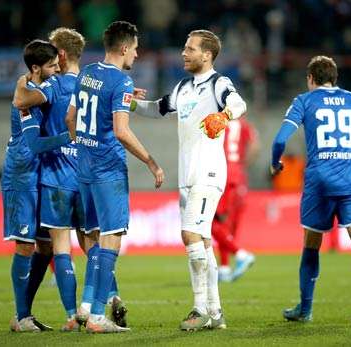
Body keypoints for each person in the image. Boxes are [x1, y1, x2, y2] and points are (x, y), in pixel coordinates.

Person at [131, 29, 247, 331]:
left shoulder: (218, 83)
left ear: (206, 55)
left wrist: (224, 116)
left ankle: (198, 308)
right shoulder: (183, 87)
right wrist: (129, 104)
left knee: (189, 235)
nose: (184, 53)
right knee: (204, 241)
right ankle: (216, 311)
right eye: (184, 48)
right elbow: (158, 109)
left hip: (209, 172)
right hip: (187, 175)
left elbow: (238, 104)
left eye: (190, 48)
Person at [14, 27, 127, 330]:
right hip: (88, 176)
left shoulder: (53, 85)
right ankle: (102, 300)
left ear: (60, 55)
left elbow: (22, 101)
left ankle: (70, 316)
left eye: (52, 53)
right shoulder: (93, 84)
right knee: (93, 243)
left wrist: (22, 84)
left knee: (59, 247)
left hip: (56, 176)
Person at [270, 56, 351, 323]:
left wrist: (275, 163)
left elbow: (279, 140)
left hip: (319, 182)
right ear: (334, 78)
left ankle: (305, 309)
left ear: (311, 78)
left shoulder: (304, 100)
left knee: (311, 245)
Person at [65, 20, 164, 333]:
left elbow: (71, 117)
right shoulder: (120, 81)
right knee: (112, 238)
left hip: (84, 169)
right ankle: (96, 316)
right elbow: (121, 131)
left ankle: (85, 306)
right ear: (124, 48)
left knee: (94, 238)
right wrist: (151, 161)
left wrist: (82, 146)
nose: (136, 54)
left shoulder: (86, 73)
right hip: (108, 170)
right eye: (135, 48)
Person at [2, 40, 71, 332]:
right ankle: (21, 317)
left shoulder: (42, 87)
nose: (57, 69)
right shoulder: (26, 102)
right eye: (52, 65)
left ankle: (24, 313)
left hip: (39, 174)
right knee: (24, 245)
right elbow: (33, 143)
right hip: (22, 176)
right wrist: (71, 137)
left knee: (44, 246)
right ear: (35, 68)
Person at [213, 117, 258, 282]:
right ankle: (224, 267)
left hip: (222, 172)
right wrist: (242, 164)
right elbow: (255, 146)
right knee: (228, 224)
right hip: (238, 174)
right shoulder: (245, 124)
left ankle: (239, 255)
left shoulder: (217, 120)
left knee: (214, 222)